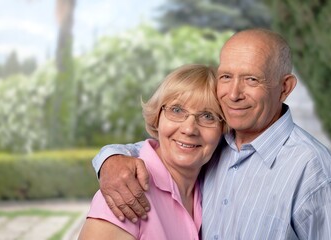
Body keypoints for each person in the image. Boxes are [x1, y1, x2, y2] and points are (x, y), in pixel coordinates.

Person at [92, 28, 331, 239]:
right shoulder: (216, 147)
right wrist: (110, 159)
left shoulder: (314, 170)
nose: (233, 94)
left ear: (285, 87)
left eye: (252, 79)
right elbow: (163, 148)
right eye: (226, 77)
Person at [79, 64, 227, 239]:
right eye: (177, 110)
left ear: (223, 128)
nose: (189, 129)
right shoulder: (126, 191)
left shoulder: (210, 188)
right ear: (157, 117)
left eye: (208, 116)